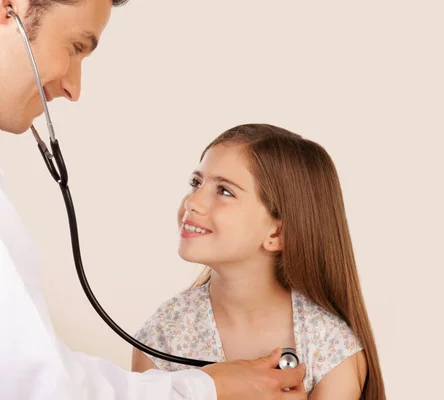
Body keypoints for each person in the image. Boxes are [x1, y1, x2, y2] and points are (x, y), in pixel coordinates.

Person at [0, 0, 306, 398]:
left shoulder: (322, 335)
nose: (74, 88)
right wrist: (206, 389)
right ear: (10, 8)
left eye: (226, 190)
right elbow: (40, 386)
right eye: (76, 47)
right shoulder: (167, 331)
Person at [131, 124, 387, 399]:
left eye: (224, 191)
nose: (193, 202)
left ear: (276, 233)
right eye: (197, 183)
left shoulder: (329, 346)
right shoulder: (163, 333)